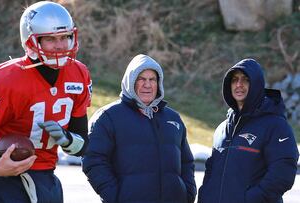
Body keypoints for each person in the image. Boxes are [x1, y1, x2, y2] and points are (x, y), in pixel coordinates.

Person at [0, 1, 92, 203]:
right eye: (50, 39)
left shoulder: (79, 74)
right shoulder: (6, 80)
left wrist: (67, 140)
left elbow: (82, 144)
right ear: (31, 42)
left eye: (65, 37)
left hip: (46, 178)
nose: (60, 45)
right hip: (2, 183)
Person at [82, 54, 197, 203]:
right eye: (141, 79)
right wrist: (116, 197)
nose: (147, 85)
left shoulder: (173, 118)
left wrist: (187, 194)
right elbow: (93, 161)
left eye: (152, 79)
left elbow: (187, 162)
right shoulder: (108, 117)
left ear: (159, 83)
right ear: (130, 82)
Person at [198, 59, 299, 203]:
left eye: (245, 80)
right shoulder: (222, 129)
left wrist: (253, 198)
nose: (239, 85)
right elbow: (211, 172)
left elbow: (283, 171)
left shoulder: (275, 124)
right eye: (234, 80)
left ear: (256, 84)